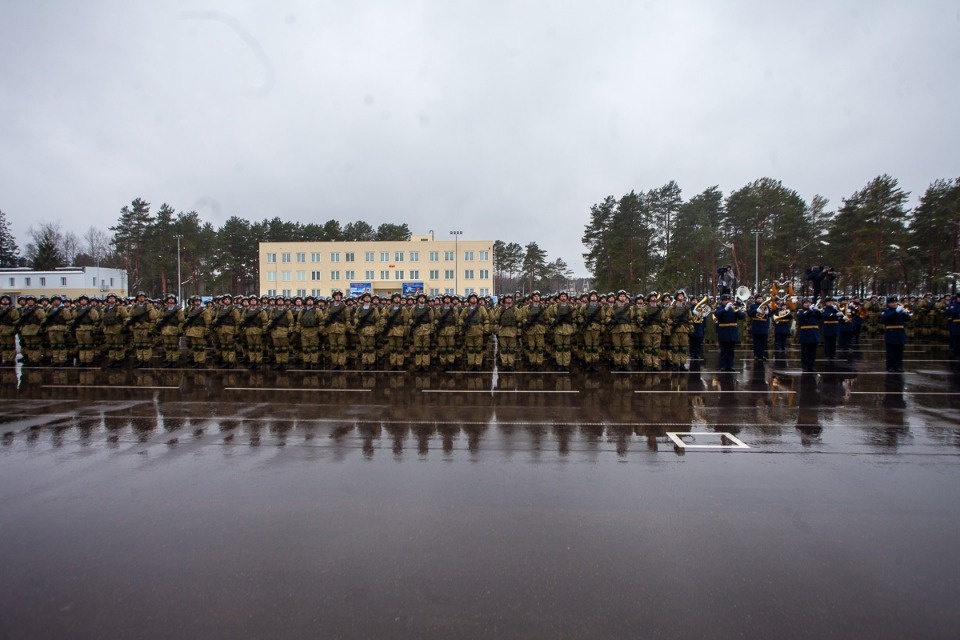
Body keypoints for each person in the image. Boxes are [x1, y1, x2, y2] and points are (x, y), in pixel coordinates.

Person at [713, 293, 745, 372]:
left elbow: (741, 317)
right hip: (723, 331)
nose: (727, 302)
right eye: (725, 300)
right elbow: (717, 315)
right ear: (722, 301)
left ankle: (730, 365)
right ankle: (723, 366)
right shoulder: (719, 308)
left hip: (732, 331)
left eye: (728, 300)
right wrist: (725, 309)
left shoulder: (734, 308)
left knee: (731, 351)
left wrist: (737, 310)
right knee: (723, 350)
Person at [880, 295, 909, 373]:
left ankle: (899, 366)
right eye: (892, 302)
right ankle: (891, 367)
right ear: (888, 303)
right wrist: (896, 312)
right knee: (891, 352)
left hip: (900, 332)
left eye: (895, 302)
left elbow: (907, 319)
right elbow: (885, 319)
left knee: (899, 352)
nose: (894, 304)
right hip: (891, 332)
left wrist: (906, 313)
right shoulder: (885, 310)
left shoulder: (900, 310)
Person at [796, 298, 822, 372]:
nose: (807, 304)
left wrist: (817, 311)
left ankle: (812, 366)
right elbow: (801, 317)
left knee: (812, 352)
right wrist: (810, 310)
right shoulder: (800, 311)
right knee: (805, 351)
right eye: (806, 303)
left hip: (814, 333)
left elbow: (820, 317)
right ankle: (805, 366)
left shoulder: (814, 311)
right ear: (803, 304)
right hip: (805, 333)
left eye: (809, 303)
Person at [747, 294, 771, 362]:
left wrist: (767, 313)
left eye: (761, 298)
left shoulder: (766, 306)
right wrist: (756, 310)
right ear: (755, 299)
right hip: (756, 324)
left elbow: (770, 314)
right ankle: (756, 355)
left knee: (763, 342)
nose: (760, 299)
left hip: (764, 325)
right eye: (758, 298)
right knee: (756, 341)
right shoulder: (753, 306)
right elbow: (749, 314)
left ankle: (762, 355)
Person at [947, 293, 960, 361]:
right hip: (957, 323)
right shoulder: (953, 305)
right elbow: (950, 312)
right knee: (956, 339)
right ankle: (956, 352)